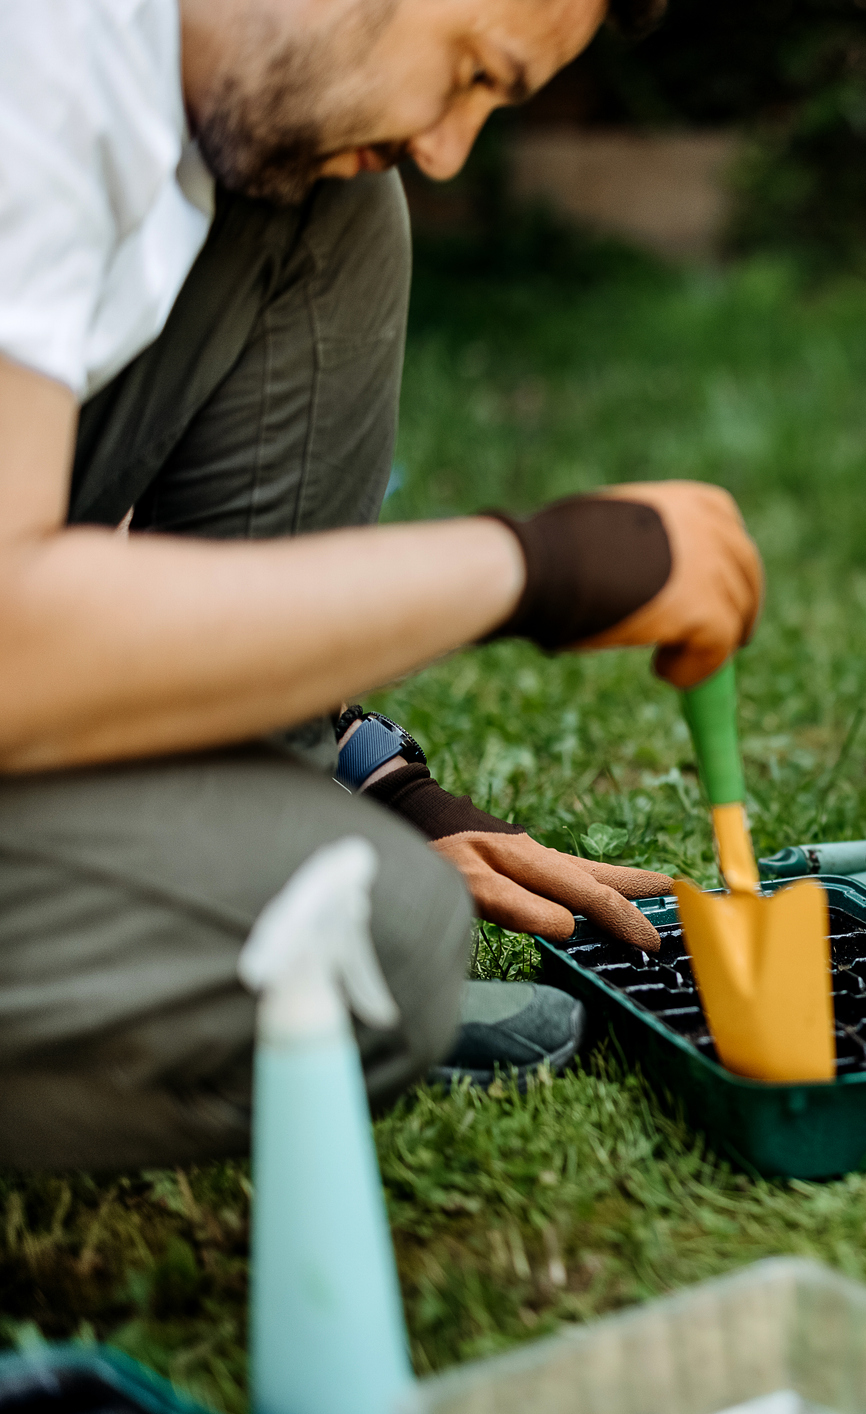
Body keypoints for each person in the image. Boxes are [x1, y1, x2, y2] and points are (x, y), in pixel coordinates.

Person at [0, 0, 763, 1170]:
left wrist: (369, 781)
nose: (451, 147)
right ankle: (244, 922)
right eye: (468, 74)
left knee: (335, 208)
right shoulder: (37, 68)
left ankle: (259, 819)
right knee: (382, 944)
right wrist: (528, 568)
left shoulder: (141, 76)